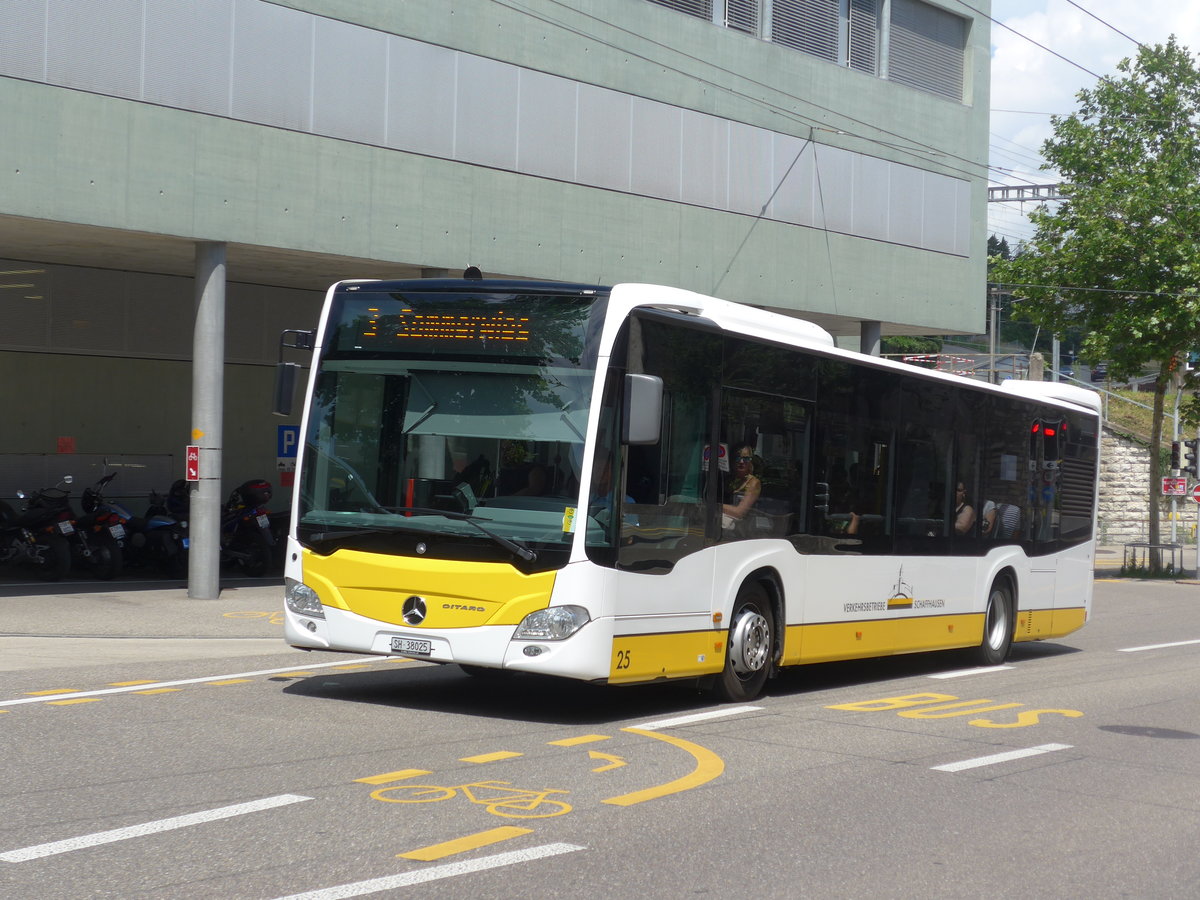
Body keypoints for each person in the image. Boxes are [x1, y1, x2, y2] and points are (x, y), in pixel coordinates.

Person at [722, 445, 762, 530]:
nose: (741, 461)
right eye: (737, 458)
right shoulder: (728, 480)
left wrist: (715, 506)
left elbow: (739, 512)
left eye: (746, 459)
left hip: (742, 531)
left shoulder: (754, 483)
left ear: (751, 461)